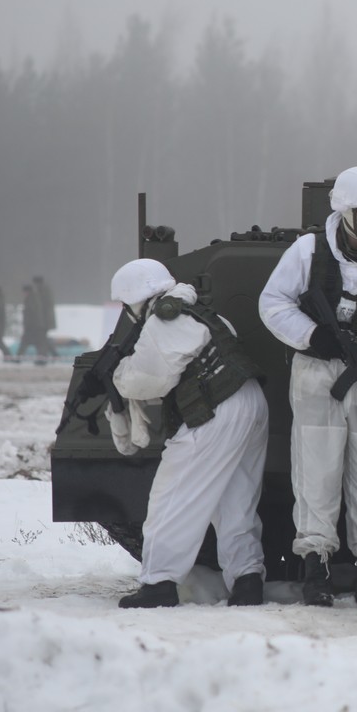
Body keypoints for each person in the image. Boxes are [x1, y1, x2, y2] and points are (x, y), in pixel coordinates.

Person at [259, 165, 357, 609]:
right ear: (346, 212)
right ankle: (317, 569)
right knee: (316, 470)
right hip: (316, 374)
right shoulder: (308, 251)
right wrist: (312, 336)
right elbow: (273, 303)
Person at [107, 258, 269, 609]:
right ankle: (247, 580)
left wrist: (118, 374)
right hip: (249, 401)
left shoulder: (165, 322)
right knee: (235, 499)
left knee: (173, 499)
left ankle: (159, 583)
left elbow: (146, 380)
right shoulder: (202, 312)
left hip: (216, 410)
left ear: (135, 299)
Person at [16, 284, 51, 363]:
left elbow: (32, 313)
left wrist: (28, 325)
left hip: (33, 326)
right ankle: (42, 359)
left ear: (27, 292)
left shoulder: (31, 299)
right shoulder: (33, 298)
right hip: (36, 326)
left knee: (30, 343)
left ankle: (18, 358)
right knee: (39, 343)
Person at [33, 275, 56, 356]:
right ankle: (53, 354)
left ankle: (43, 356)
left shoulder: (42, 291)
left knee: (41, 339)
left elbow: (43, 307)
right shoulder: (43, 290)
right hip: (44, 320)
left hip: (44, 320)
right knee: (42, 338)